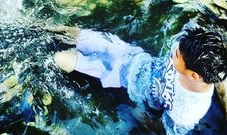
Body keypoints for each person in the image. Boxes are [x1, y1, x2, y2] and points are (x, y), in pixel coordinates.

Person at [53, 26, 227, 134]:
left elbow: (162, 129)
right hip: (129, 53)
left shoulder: (187, 112)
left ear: (193, 75)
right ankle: (37, 26)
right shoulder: (189, 50)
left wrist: (140, 113)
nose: (174, 52)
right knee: (77, 34)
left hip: (118, 77)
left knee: (59, 59)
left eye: (176, 56)